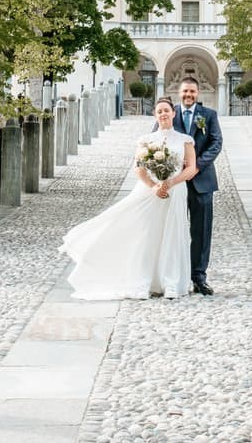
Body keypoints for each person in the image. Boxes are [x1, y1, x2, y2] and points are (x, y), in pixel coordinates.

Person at [60, 97, 197, 300]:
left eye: (166, 110)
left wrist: (171, 182)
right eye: (159, 111)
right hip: (150, 192)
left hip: (175, 190)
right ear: (155, 115)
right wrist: (154, 187)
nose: (163, 114)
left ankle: (171, 282)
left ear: (174, 113)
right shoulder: (146, 140)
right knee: (146, 235)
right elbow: (139, 168)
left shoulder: (185, 140)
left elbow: (191, 168)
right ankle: (142, 281)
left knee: (172, 234)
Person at [169, 76, 223, 296]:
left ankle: (199, 277)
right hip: (175, 182)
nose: (188, 95)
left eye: (192, 92)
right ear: (179, 93)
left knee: (201, 232)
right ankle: (174, 276)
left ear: (197, 94)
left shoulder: (209, 116)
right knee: (173, 230)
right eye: (185, 92)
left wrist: (196, 165)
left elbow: (216, 142)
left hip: (202, 181)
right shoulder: (169, 113)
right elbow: (157, 141)